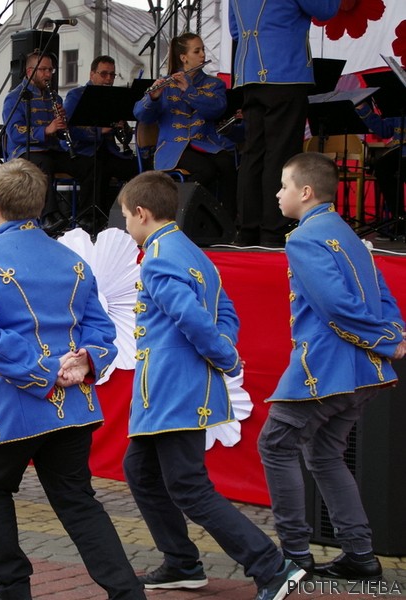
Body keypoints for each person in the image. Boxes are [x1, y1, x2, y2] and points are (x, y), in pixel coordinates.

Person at [0, 158, 144, 600]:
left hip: (14, 406)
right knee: (76, 500)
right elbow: (101, 330)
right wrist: (85, 362)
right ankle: (127, 594)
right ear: (40, 206)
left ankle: (13, 589)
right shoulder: (71, 261)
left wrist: (44, 371)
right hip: (73, 405)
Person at [119, 170, 305, 600]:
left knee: (188, 486)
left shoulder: (159, 256)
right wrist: (224, 348)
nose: (126, 225)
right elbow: (226, 312)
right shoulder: (193, 252)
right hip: (177, 389)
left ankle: (271, 566)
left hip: (170, 390)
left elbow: (191, 317)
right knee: (140, 472)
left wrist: (225, 356)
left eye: (126, 216)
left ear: (142, 213)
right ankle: (181, 563)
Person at [258, 152, 406, 581]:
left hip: (325, 369)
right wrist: (392, 335)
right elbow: (382, 294)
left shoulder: (304, 238)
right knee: (324, 454)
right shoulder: (346, 232)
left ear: (305, 192)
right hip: (364, 371)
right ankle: (360, 554)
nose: (278, 194)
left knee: (275, 446)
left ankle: (295, 554)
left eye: (284, 186)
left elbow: (335, 307)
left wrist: (386, 339)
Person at [229, 0, 342, 246]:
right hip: (285, 73)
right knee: (280, 155)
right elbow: (326, 9)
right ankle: (273, 233)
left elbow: (235, 30)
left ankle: (247, 232)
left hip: (248, 74)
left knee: (252, 154)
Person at [133, 33, 238, 222]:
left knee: (227, 164)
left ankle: (226, 222)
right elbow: (141, 115)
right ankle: (183, 215)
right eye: (197, 51)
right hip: (172, 147)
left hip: (205, 144)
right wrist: (153, 97)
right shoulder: (167, 83)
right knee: (206, 170)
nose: (203, 55)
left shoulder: (214, 84)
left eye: (203, 50)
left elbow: (217, 109)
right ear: (184, 57)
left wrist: (188, 90)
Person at [2, 51, 95, 234]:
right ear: (30, 71)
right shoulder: (15, 97)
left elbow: (59, 135)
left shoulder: (55, 98)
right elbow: (14, 131)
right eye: (43, 70)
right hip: (24, 151)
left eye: (50, 70)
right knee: (43, 163)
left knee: (89, 164)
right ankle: (49, 216)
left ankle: (86, 216)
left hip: (52, 150)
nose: (48, 74)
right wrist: (45, 130)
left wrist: (62, 126)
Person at [63, 55, 139, 230]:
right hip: (83, 152)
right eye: (104, 74)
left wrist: (123, 128)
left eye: (112, 75)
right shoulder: (76, 95)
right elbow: (69, 130)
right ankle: (87, 218)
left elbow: (126, 139)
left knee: (137, 169)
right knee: (96, 167)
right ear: (92, 74)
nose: (108, 79)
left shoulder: (114, 97)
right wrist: (99, 131)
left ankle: (126, 217)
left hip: (109, 152)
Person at [356, 100, 405, 238]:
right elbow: (385, 131)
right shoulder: (398, 102)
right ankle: (399, 219)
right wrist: (363, 109)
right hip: (400, 151)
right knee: (382, 166)